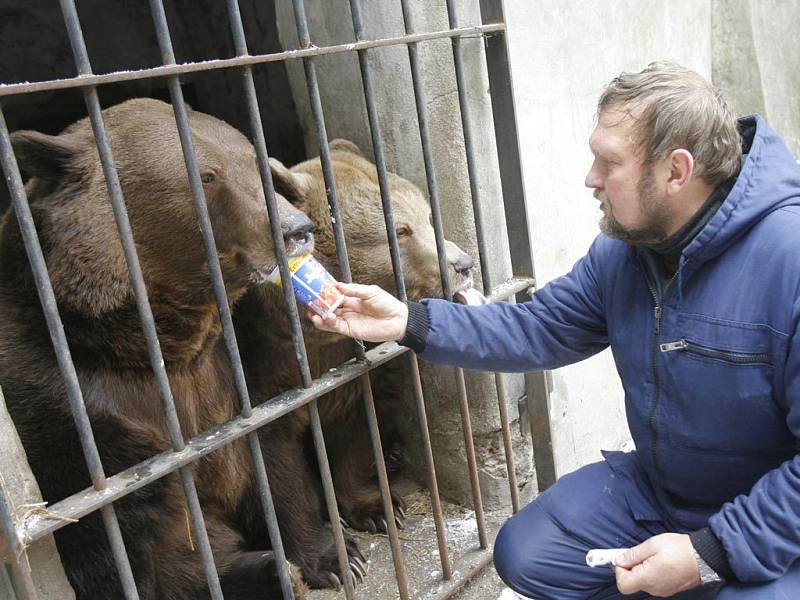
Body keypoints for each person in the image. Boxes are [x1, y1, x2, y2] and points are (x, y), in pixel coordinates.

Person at [309, 62, 800, 599]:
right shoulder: (625, 252)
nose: (591, 177)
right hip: (665, 493)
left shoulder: (787, 259)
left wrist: (709, 554)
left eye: (608, 162)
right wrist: (408, 320)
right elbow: (538, 327)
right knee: (528, 553)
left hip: (771, 513)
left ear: (676, 173)